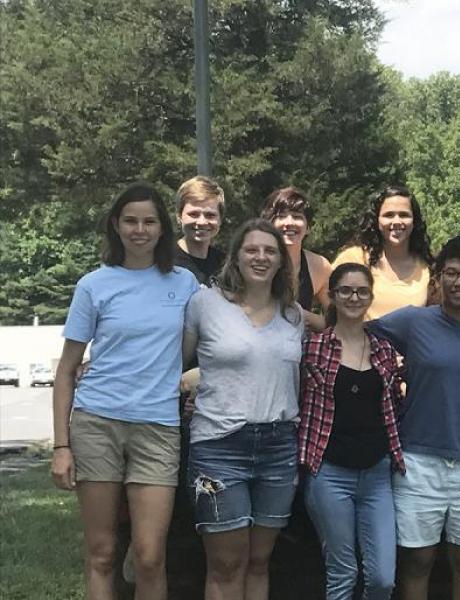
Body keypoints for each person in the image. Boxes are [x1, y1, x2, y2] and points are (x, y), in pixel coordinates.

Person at [51, 184, 200, 599]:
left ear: (162, 229)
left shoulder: (185, 283)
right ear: (116, 226)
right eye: (131, 221)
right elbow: (66, 372)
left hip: (158, 427)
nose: (140, 229)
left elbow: (222, 329)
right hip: (96, 423)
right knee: (102, 552)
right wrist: (62, 446)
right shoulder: (94, 285)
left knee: (151, 555)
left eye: (149, 221)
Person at [368, 236, 460, 600]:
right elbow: (360, 334)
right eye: (451, 273)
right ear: (437, 278)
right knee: (418, 562)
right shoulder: (413, 321)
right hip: (419, 461)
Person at [183, 219, 306, 599]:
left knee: (258, 561)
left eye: (270, 251)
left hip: (279, 446)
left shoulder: (294, 315)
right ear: (235, 256)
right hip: (219, 445)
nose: (261, 257)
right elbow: (176, 363)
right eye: (252, 249)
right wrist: (190, 384)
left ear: (281, 262)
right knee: (225, 565)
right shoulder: (205, 303)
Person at [298, 263, 406, 600]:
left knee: (383, 578)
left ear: (370, 296)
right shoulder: (313, 349)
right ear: (331, 296)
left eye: (361, 291)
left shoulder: (386, 351)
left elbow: (395, 407)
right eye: (345, 290)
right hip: (329, 473)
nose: (353, 297)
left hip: (376, 473)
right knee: (343, 573)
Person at [333, 186, 434, 319]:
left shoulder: (427, 267)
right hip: (361, 339)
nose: (397, 221)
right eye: (389, 215)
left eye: (404, 215)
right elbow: (329, 308)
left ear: (414, 221)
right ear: (377, 221)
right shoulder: (354, 259)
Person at [261, 186, 331, 312]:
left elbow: (334, 318)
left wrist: (300, 316)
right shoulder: (255, 261)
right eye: (281, 216)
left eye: (297, 216)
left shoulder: (320, 266)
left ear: (308, 227)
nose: (289, 223)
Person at [173, 176, 226, 286]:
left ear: (220, 219)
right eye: (193, 214)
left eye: (210, 215)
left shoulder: (226, 265)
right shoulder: (163, 261)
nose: (202, 222)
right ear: (179, 216)